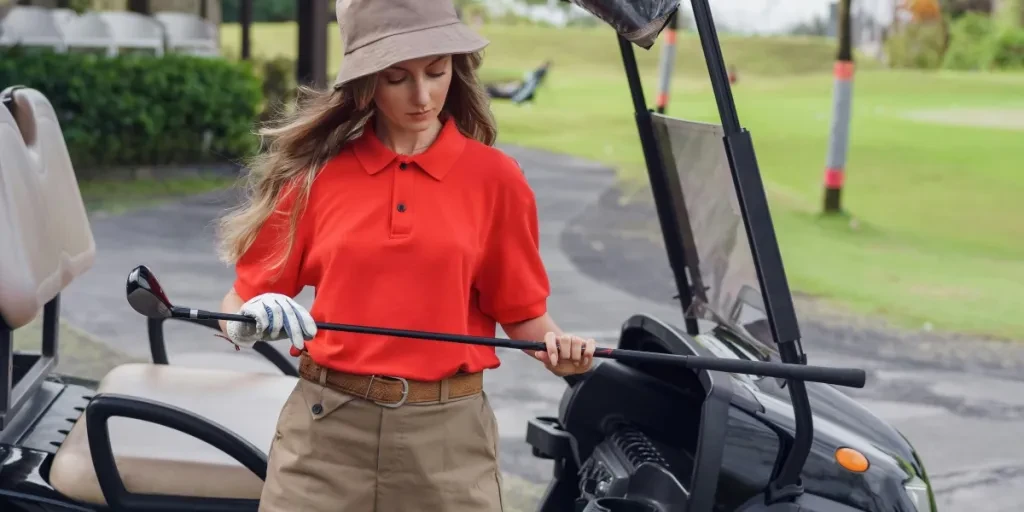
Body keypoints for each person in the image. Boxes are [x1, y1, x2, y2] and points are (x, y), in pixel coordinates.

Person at [213, 0, 597, 511]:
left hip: (448, 443)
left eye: (437, 72)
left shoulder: (497, 180)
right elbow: (239, 301)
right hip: (325, 438)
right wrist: (246, 322)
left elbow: (523, 317)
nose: (423, 96)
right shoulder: (315, 178)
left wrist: (564, 354)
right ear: (367, 82)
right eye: (398, 78)